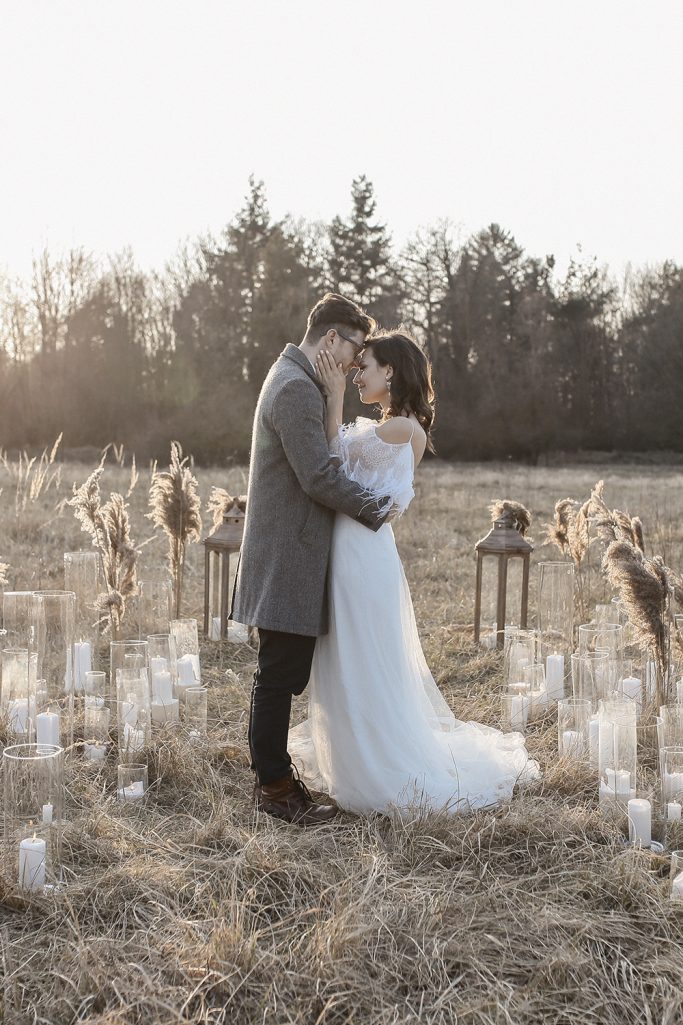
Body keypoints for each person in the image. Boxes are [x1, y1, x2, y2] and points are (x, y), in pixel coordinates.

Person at [288, 330, 539, 814]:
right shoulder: (388, 427)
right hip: (352, 549)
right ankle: (353, 757)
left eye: (367, 366)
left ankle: (378, 765)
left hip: (362, 552)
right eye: (356, 367)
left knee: (364, 655)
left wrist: (336, 395)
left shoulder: (402, 430)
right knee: (349, 653)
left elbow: (334, 465)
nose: (358, 374)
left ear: (391, 373)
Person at [231, 293, 391, 826]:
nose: (353, 361)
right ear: (330, 338)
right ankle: (274, 788)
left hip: (288, 555)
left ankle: (274, 780)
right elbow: (319, 476)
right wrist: (377, 507)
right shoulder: (296, 389)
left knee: (281, 671)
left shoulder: (297, 380)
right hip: (286, 559)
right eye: (353, 348)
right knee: (279, 675)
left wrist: (333, 396)